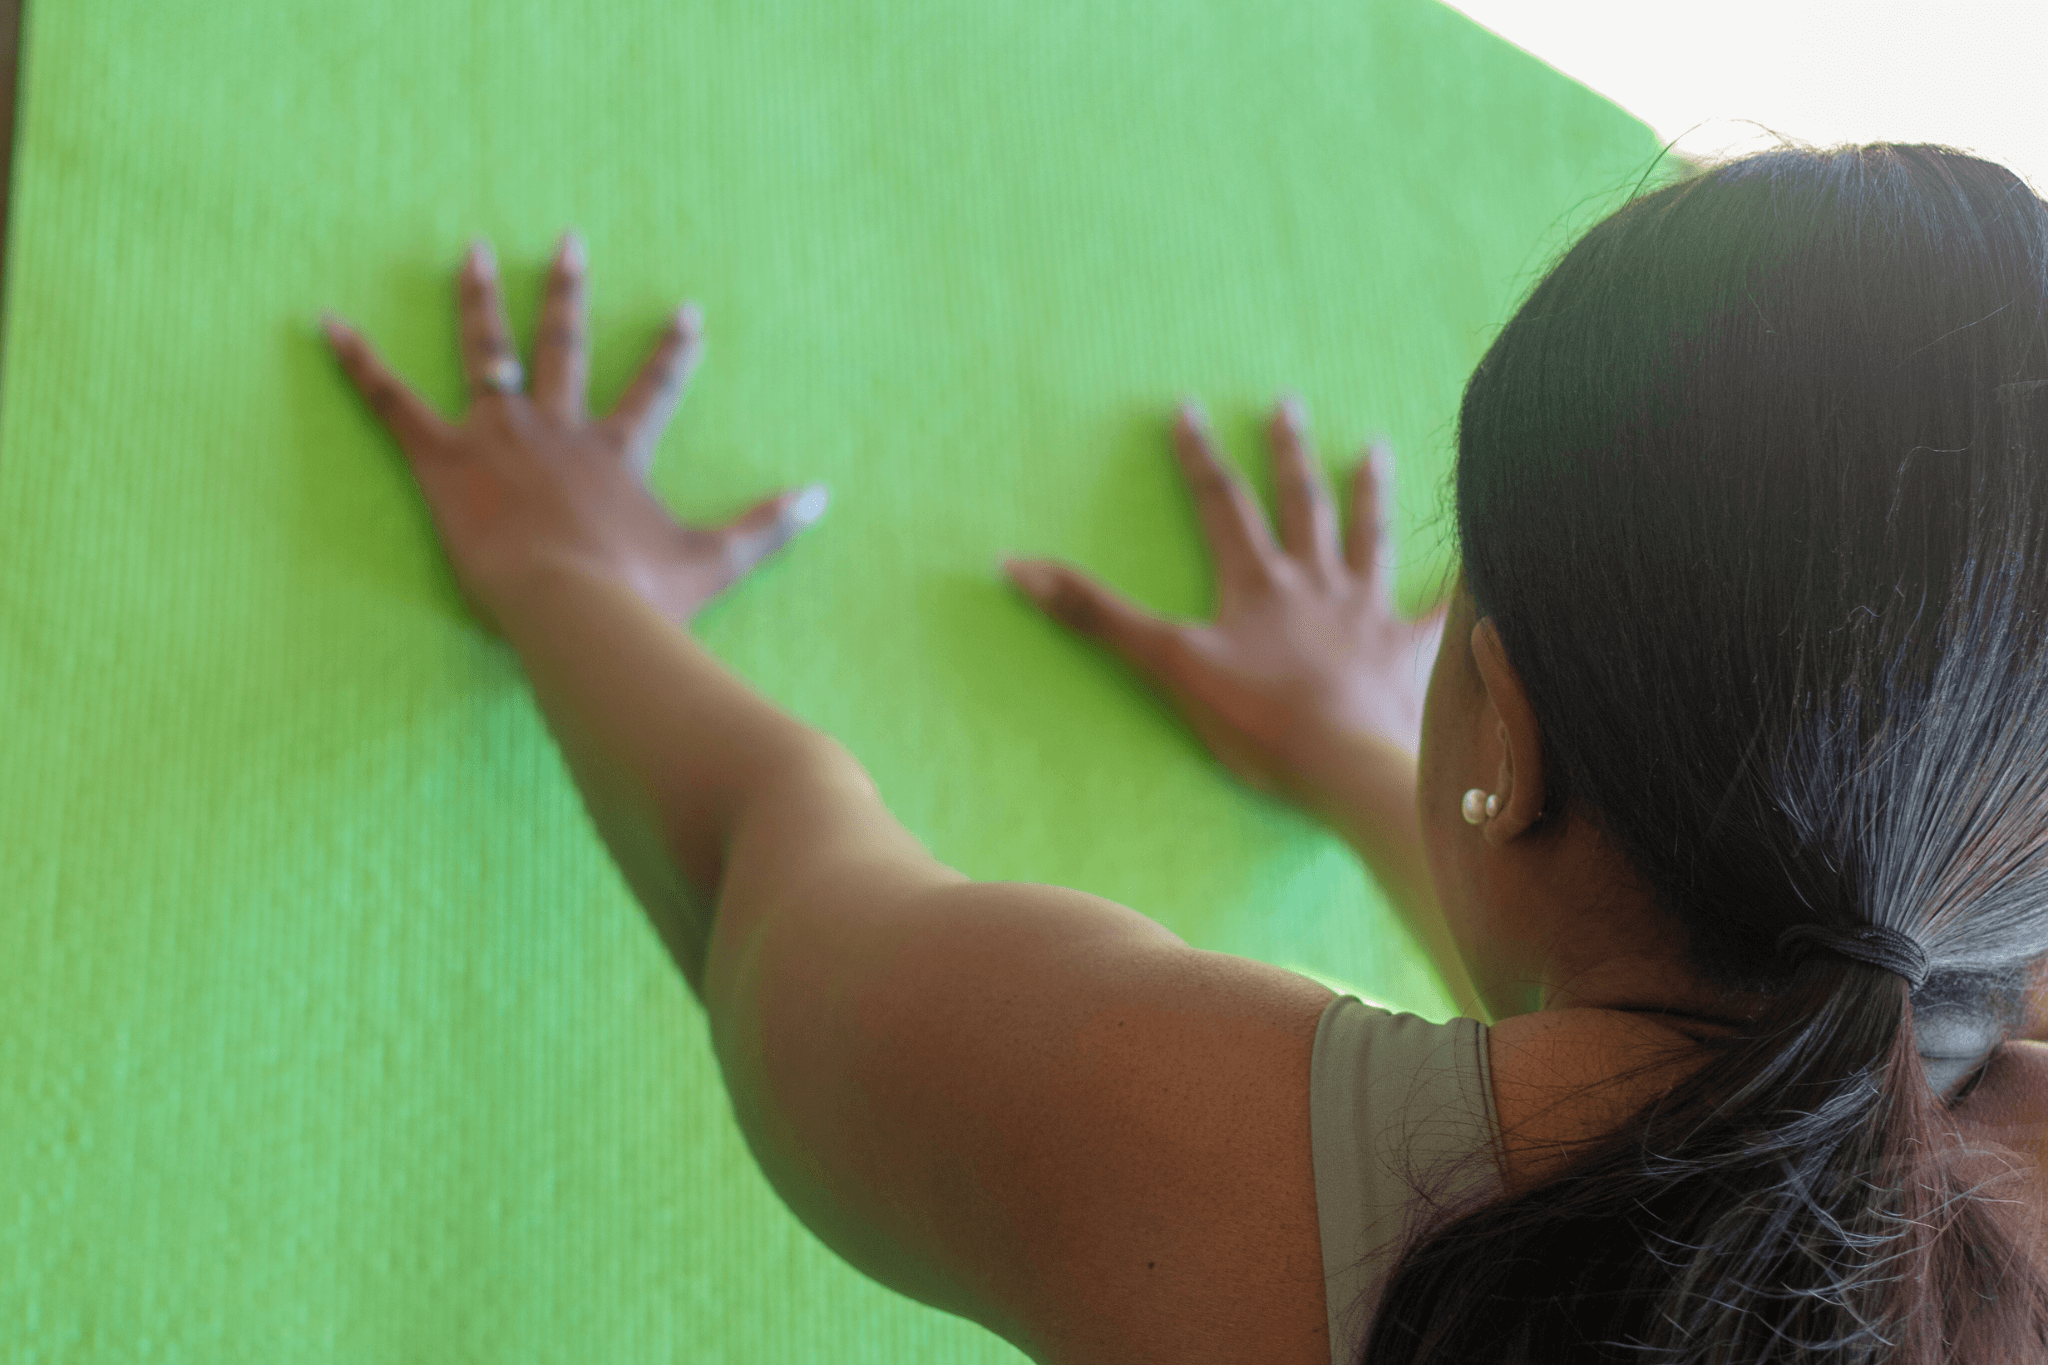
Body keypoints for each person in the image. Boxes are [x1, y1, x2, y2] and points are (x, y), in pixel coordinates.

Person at [320, 140, 2048, 1363]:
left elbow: (755, 865)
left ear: (1505, 736)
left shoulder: (1177, 1152)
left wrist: (563, 565)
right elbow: (1760, 1046)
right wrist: (1382, 749)